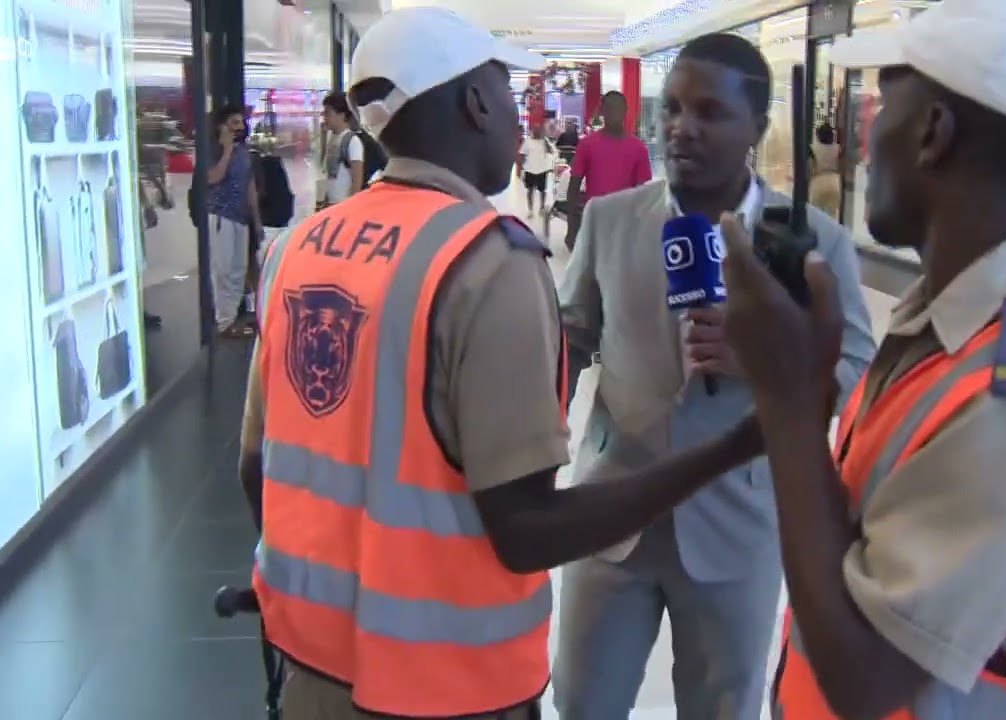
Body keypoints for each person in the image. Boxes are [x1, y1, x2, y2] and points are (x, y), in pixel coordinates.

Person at [238, 8, 767, 719]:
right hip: (445, 681)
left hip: (310, 662)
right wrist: (728, 450)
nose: (518, 122)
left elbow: (256, 467)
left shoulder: (296, 249)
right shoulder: (484, 261)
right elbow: (526, 530)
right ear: (475, 102)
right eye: (505, 95)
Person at [723, 1, 1006, 718]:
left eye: (883, 108)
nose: (865, 141)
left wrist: (789, 402)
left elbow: (865, 679)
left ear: (932, 133)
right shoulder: (951, 328)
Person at [553, 32, 875, 720]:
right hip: (614, 517)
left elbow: (858, 369)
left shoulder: (814, 241)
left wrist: (768, 368)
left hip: (738, 525)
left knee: (721, 709)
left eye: (708, 112)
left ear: (756, 128)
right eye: (671, 108)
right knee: (583, 703)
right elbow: (572, 336)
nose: (680, 128)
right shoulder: (611, 221)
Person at [564, 92, 651, 249]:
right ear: (602, 111)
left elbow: (643, 194)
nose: (614, 114)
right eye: (609, 109)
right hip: (595, 222)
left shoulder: (639, 149)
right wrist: (572, 227)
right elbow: (574, 186)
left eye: (618, 109)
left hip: (626, 226)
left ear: (625, 111)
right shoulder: (587, 145)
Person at [207, 103, 262, 338]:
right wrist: (226, 149)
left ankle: (231, 318)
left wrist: (256, 219)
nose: (240, 127)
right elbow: (213, 177)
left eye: (241, 122)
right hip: (222, 215)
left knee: (239, 268)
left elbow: (250, 186)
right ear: (223, 126)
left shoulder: (244, 152)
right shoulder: (213, 151)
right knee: (224, 269)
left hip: (241, 217)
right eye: (234, 123)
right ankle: (223, 321)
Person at [321, 91, 367, 203]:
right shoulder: (332, 137)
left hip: (343, 204)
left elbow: (357, 179)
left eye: (328, 113)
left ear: (342, 115)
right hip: (331, 204)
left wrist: (350, 207)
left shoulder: (352, 141)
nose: (324, 117)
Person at [518, 123, 557, 219]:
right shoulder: (527, 141)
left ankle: (542, 207)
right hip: (530, 169)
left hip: (542, 169)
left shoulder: (544, 141)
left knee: (542, 190)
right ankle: (530, 210)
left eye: (538, 130)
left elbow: (551, 151)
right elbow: (522, 154)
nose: (537, 132)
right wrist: (521, 168)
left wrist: (545, 141)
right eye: (535, 130)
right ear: (532, 131)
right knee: (530, 190)